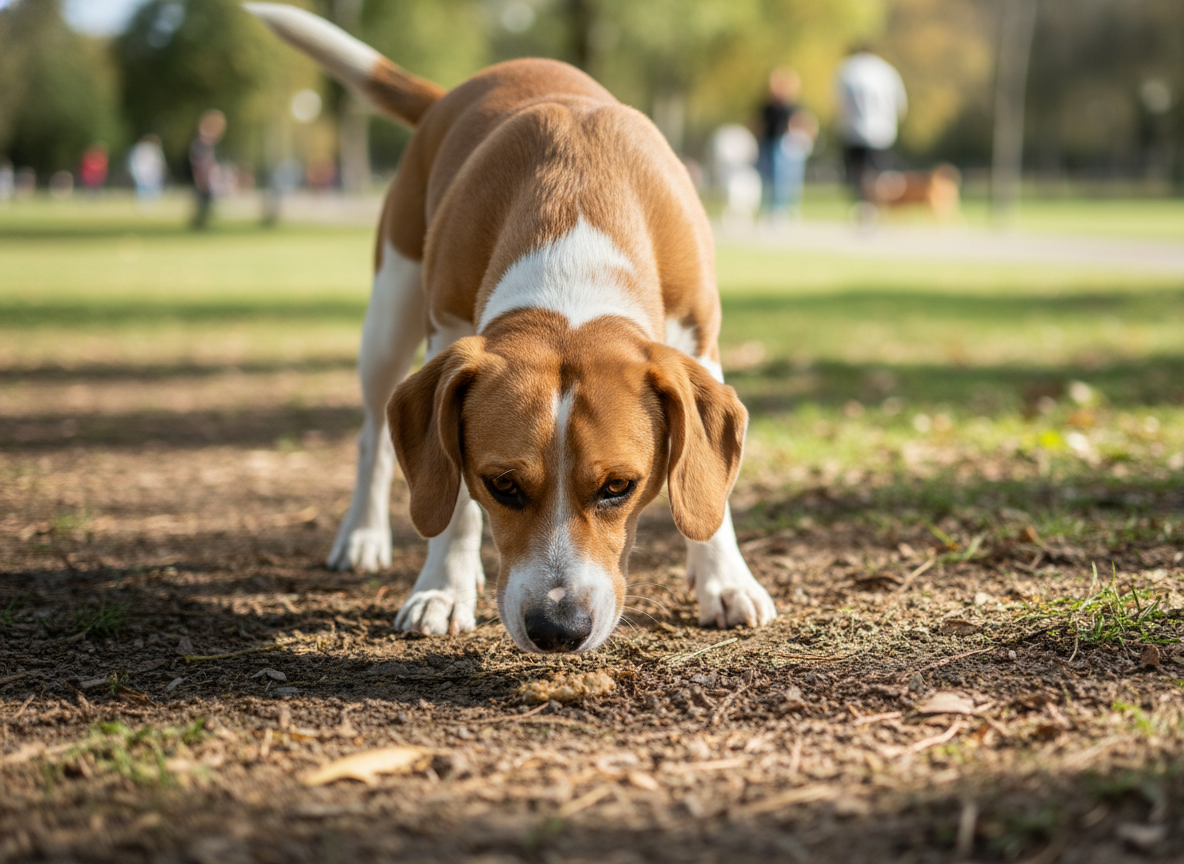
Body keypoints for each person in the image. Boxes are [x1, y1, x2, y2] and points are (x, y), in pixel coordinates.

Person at [833, 44, 907, 203]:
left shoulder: (847, 70)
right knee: (879, 172)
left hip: (854, 130)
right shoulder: (886, 70)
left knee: (858, 171)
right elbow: (900, 102)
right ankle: (878, 204)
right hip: (883, 130)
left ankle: (863, 204)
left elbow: (838, 103)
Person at [755, 68, 805, 220]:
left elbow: (800, 122)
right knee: (766, 177)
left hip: (783, 145)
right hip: (767, 143)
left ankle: (780, 209)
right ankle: (768, 209)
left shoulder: (790, 107)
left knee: (782, 178)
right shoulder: (768, 106)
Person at [189, 109, 226, 229]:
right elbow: (200, 162)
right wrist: (201, 176)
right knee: (203, 200)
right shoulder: (202, 142)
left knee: (205, 201)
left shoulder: (205, 143)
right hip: (203, 177)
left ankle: (201, 223)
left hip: (207, 176)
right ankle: (199, 224)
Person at [127, 134, 167, 209]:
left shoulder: (140, 149)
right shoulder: (151, 149)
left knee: (144, 189)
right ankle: (146, 205)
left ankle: (145, 204)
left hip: (143, 172)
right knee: (147, 189)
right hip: (148, 172)